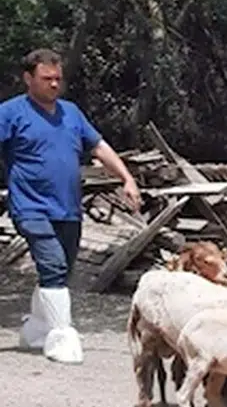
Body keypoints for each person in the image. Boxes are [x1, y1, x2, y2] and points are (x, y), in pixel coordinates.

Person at [0, 47, 140, 363]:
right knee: (53, 266)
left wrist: (126, 179)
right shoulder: (10, 113)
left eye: (58, 79)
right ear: (28, 78)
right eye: (46, 78)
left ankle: (36, 327)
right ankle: (61, 336)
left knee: (61, 272)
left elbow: (99, 147)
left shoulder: (71, 112)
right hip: (30, 207)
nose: (54, 85)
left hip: (67, 208)